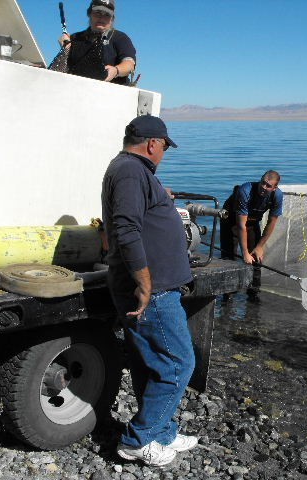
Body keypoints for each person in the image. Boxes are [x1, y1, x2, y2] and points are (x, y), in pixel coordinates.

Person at [101, 115, 197, 466]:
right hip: (151, 292)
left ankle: (162, 431)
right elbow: (125, 230)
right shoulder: (130, 171)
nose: (164, 154)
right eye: (165, 148)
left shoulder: (132, 172)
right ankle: (138, 440)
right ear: (154, 144)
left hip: (152, 288)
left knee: (151, 363)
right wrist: (144, 284)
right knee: (178, 363)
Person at [220, 170, 283, 297]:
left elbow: (271, 222)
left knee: (256, 258)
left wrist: (259, 246)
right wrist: (244, 253)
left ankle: (253, 293)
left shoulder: (277, 196)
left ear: (275, 188)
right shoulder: (245, 190)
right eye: (263, 183)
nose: (264, 188)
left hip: (252, 221)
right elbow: (240, 225)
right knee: (229, 258)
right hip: (231, 219)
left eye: (268, 186)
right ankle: (228, 294)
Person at [59, 0, 136, 85]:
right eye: (98, 12)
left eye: (107, 15)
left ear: (112, 19)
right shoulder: (75, 39)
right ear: (89, 14)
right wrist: (65, 49)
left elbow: (129, 64)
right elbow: (65, 67)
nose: (101, 18)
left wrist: (116, 70)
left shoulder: (120, 38)